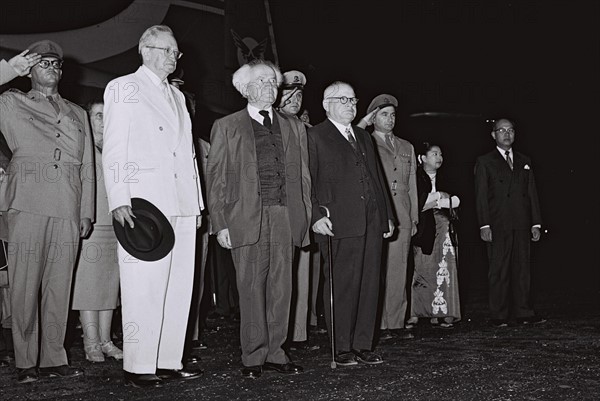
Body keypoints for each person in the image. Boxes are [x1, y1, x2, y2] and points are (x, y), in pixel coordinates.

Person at [102, 25, 204, 387]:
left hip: (181, 200)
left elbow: (188, 155)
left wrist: (196, 205)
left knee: (179, 286)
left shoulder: (177, 96)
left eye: (176, 52)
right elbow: (114, 147)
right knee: (143, 285)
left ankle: (167, 359)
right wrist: (119, 199)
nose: (172, 57)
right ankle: (139, 364)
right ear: (145, 50)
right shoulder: (123, 87)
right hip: (145, 203)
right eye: (166, 50)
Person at [206, 59, 312, 379]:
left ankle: (277, 353)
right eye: (262, 81)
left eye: (272, 82)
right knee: (251, 286)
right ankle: (253, 356)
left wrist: (305, 215)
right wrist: (221, 223)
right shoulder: (227, 126)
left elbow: (303, 177)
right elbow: (217, 178)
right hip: (245, 216)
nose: (270, 87)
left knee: (282, 286)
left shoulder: (293, 126)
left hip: (284, 214)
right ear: (244, 89)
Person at [0, 40, 94, 383]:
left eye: (56, 63)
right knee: (24, 284)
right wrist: (10, 68)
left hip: (67, 204)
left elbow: (86, 166)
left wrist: (85, 211)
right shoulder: (11, 102)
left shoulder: (77, 112)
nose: (51, 68)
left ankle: (54, 356)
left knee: (59, 283)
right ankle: (25, 361)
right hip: (27, 201)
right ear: (30, 70)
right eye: (43, 63)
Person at [309, 81, 394, 366]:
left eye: (353, 100)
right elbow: (307, 180)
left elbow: (376, 177)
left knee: (370, 283)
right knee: (342, 284)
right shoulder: (315, 136)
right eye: (343, 99)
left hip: (370, 218)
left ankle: (362, 344)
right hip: (338, 220)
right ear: (326, 104)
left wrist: (386, 215)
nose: (350, 105)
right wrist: (315, 216)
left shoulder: (363, 136)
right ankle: (341, 347)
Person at [357, 94, 417, 340]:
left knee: (399, 269)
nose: (390, 119)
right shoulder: (364, 141)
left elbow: (411, 184)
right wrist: (362, 124)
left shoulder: (406, 146)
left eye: (393, 115)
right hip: (376, 212)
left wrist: (413, 218)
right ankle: (376, 325)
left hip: (401, 212)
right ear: (372, 118)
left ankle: (395, 323)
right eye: (383, 114)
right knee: (375, 270)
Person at [474, 118, 544, 327]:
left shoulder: (525, 160)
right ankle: (499, 314)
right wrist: (484, 225)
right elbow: (481, 196)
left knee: (523, 269)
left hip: (522, 223)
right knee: (498, 269)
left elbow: (532, 193)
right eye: (502, 130)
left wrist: (536, 223)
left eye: (511, 130)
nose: (507, 134)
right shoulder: (485, 161)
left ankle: (524, 312)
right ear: (493, 135)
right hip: (498, 224)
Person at [71, 100, 123, 363]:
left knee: (110, 287)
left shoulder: (116, 148)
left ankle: (106, 341)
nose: (103, 120)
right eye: (98, 115)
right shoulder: (83, 149)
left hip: (116, 226)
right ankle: (91, 343)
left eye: (107, 115)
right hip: (92, 223)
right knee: (88, 287)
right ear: (88, 120)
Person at [276, 70, 319, 352]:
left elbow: (309, 172)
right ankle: (279, 336)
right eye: (289, 93)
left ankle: (298, 333)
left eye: (300, 94)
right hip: (278, 209)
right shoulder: (271, 123)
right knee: (280, 276)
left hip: (301, 208)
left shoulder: (303, 128)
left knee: (302, 273)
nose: (295, 99)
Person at [409, 143, 461, 328]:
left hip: (445, 229)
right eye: (434, 153)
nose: (439, 157)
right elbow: (418, 204)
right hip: (423, 228)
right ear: (422, 158)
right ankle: (416, 312)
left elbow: (457, 200)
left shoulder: (449, 175)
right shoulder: (415, 177)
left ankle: (443, 313)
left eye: (441, 153)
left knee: (445, 268)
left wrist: (439, 200)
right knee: (422, 269)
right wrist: (440, 197)